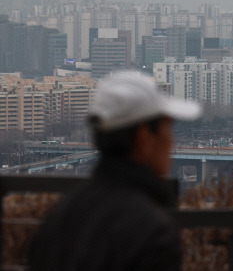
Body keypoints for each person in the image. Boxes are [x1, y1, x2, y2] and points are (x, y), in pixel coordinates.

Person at [29, 71, 201, 271]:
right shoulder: (151, 231)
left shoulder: (59, 218)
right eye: (167, 130)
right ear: (144, 139)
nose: (172, 142)